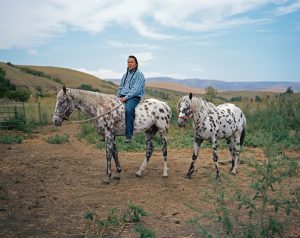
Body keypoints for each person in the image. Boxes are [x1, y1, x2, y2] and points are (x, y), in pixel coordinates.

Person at [117, 55, 145, 143]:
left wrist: (126, 97)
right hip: (122, 96)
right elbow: (121, 86)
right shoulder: (125, 75)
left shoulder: (139, 74)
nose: (130, 63)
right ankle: (110, 133)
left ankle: (128, 136)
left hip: (133, 97)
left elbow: (136, 89)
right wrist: (118, 96)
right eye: (128, 62)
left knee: (129, 110)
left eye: (132, 62)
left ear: (136, 64)